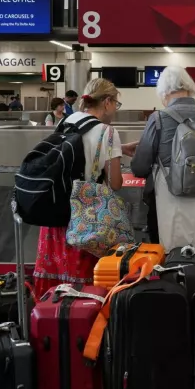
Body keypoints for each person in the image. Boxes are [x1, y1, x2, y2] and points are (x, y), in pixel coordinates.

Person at [33, 78, 125, 299]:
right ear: (107, 102)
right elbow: (115, 183)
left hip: (56, 217)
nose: (116, 109)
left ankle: (51, 319)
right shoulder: (107, 132)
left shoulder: (66, 121)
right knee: (86, 290)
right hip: (87, 221)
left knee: (55, 287)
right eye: (116, 104)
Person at [129, 66, 195, 248]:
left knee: (168, 259)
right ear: (189, 89)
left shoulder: (158, 118)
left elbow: (140, 167)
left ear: (164, 93)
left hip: (168, 203)